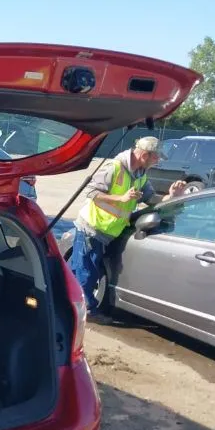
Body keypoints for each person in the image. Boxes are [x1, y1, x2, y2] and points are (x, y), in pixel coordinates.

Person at [70, 136, 186, 324]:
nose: (158, 162)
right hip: (92, 227)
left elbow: (150, 199)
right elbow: (90, 192)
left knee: (78, 269)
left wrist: (171, 197)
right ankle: (87, 311)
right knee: (87, 271)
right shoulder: (114, 167)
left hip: (108, 232)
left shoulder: (140, 175)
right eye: (156, 158)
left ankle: (60, 298)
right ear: (145, 155)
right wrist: (121, 199)